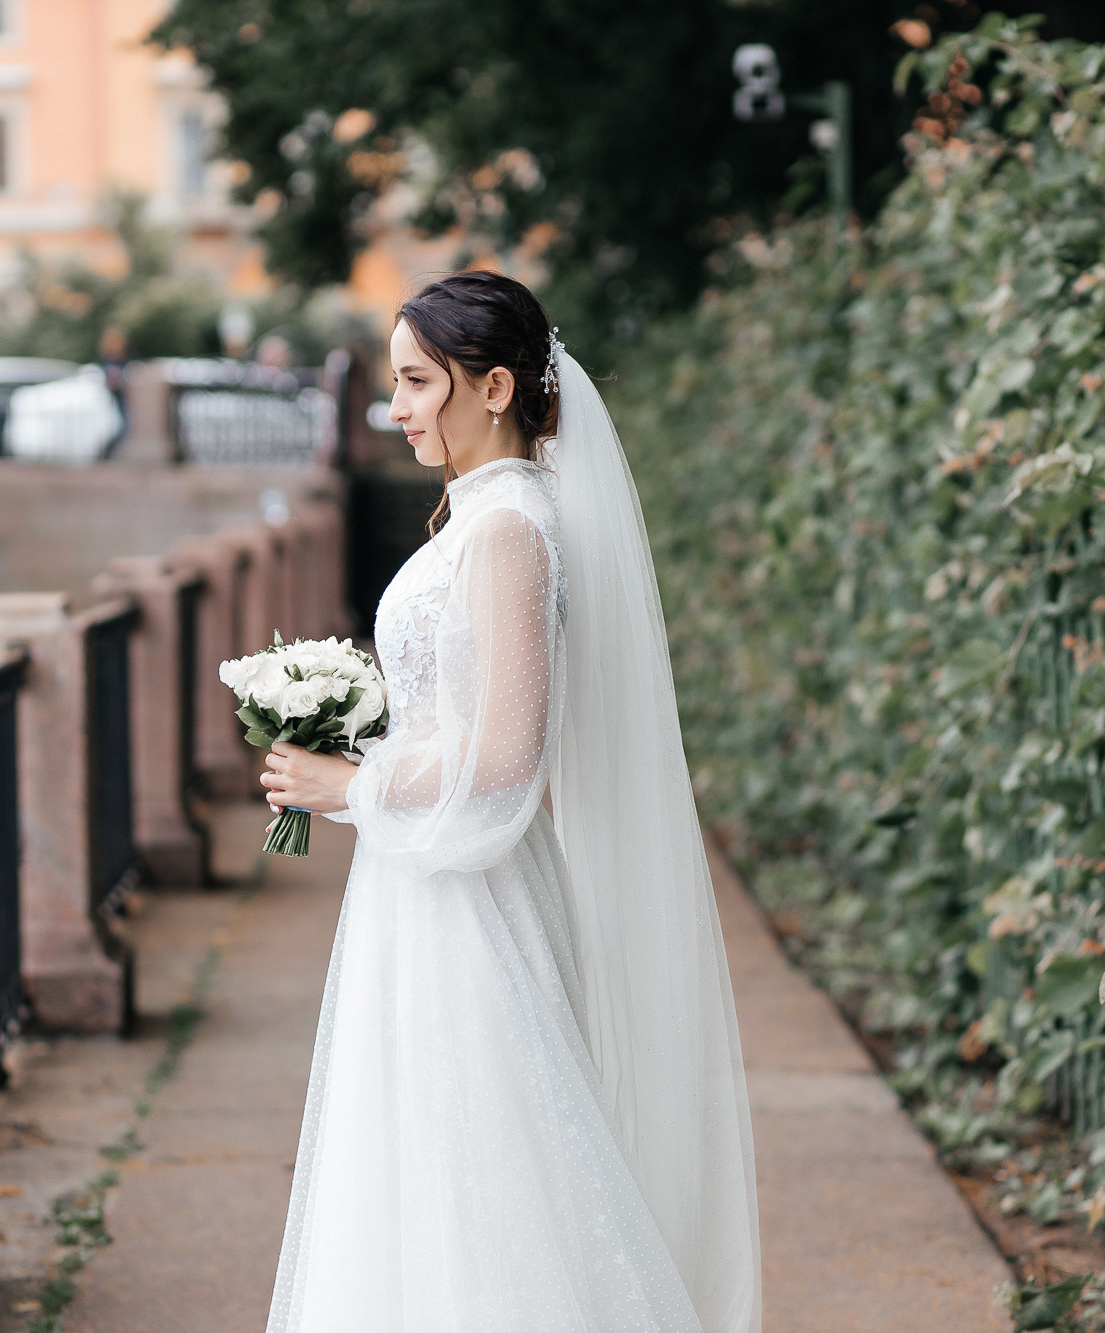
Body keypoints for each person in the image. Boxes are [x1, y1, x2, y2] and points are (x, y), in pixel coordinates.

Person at [257, 269, 762, 1332]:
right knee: (431, 1167)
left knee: (486, 1168)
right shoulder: (486, 518)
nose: (393, 409)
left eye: (412, 382)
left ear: (491, 388)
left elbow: (503, 753)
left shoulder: (508, 531)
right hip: (429, 881)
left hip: (470, 901)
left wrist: (346, 782)